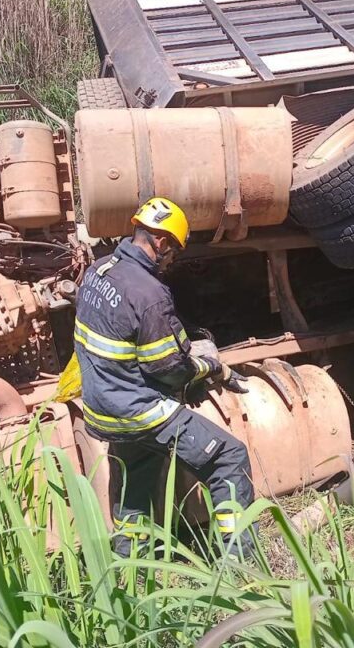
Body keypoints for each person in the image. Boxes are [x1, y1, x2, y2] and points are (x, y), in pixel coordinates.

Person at [74, 196, 256, 558]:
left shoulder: (98, 270)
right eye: (174, 251)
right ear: (161, 242)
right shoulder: (149, 294)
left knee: (136, 478)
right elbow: (169, 369)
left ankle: (130, 565)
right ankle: (239, 561)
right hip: (139, 411)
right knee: (228, 458)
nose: (172, 260)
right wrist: (212, 367)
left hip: (102, 408)